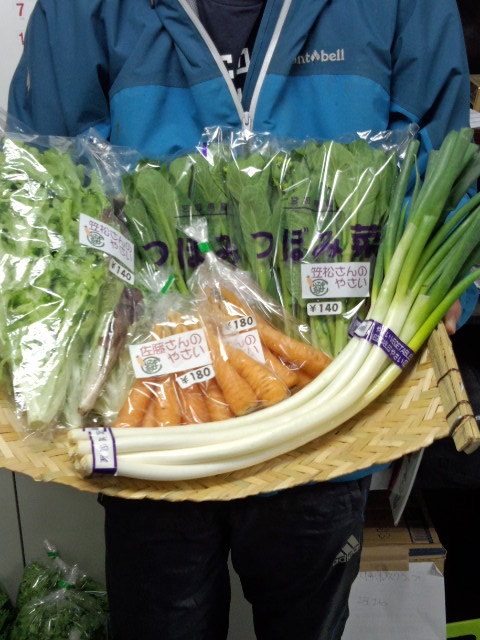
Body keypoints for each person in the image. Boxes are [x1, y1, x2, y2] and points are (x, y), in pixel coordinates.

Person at [7, 1, 475, 638]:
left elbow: (440, 167)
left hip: (327, 416)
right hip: (158, 414)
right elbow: (46, 180)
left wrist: (433, 293)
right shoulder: (81, 9)